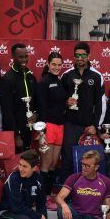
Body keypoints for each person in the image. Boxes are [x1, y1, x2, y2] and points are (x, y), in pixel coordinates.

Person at [60, 42, 103, 180]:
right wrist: (66, 102)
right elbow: (58, 99)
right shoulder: (67, 75)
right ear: (74, 56)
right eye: (77, 55)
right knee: (68, 158)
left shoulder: (96, 76)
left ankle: (86, 189)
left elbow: (100, 104)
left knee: (88, 160)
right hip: (70, 125)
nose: (80, 58)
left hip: (88, 126)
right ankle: (67, 189)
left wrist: (95, 125)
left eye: (83, 55)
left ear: (88, 56)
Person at [36, 52, 67, 199]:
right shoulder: (44, 82)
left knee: (54, 163)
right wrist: (42, 131)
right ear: (48, 64)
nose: (56, 67)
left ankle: (48, 195)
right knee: (46, 163)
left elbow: (59, 104)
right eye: (53, 64)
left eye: (59, 65)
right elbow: (41, 107)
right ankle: (42, 198)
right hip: (48, 126)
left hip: (60, 126)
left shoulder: (59, 81)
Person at [0, 43, 37, 151]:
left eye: (26, 56)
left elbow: (35, 102)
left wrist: (35, 114)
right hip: (16, 134)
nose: (24, 59)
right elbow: (6, 111)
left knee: (29, 160)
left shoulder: (31, 77)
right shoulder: (7, 79)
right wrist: (16, 135)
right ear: (13, 57)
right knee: (17, 161)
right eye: (20, 57)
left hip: (30, 130)